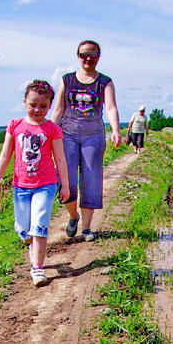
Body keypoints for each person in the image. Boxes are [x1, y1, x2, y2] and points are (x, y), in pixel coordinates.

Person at [0, 80, 70, 287]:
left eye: (43, 106)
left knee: (40, 226)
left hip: (46, 185)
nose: (37, 110)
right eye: (33, 104)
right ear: (25, 102)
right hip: (21, 187)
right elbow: (5, 155)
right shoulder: (15, 126)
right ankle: (30, 243)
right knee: (23, 229)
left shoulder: (52, 129)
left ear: (50, 106)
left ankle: (37, 269)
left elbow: (60, 159)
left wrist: (66, 184)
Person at [52, 39, 122, 242]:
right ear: (78, 57)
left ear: (99, 56)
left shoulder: (105, 82)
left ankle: (87, 228)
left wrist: (116, 130)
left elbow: (110, 108)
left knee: (91, 181)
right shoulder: (67, 80)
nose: (88, 58)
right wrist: (47, 132)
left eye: (93, 54)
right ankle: (73, 216)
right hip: (68, 135)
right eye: (84, 55)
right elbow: (58, 110)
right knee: (68, 181)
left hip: (94, 136)